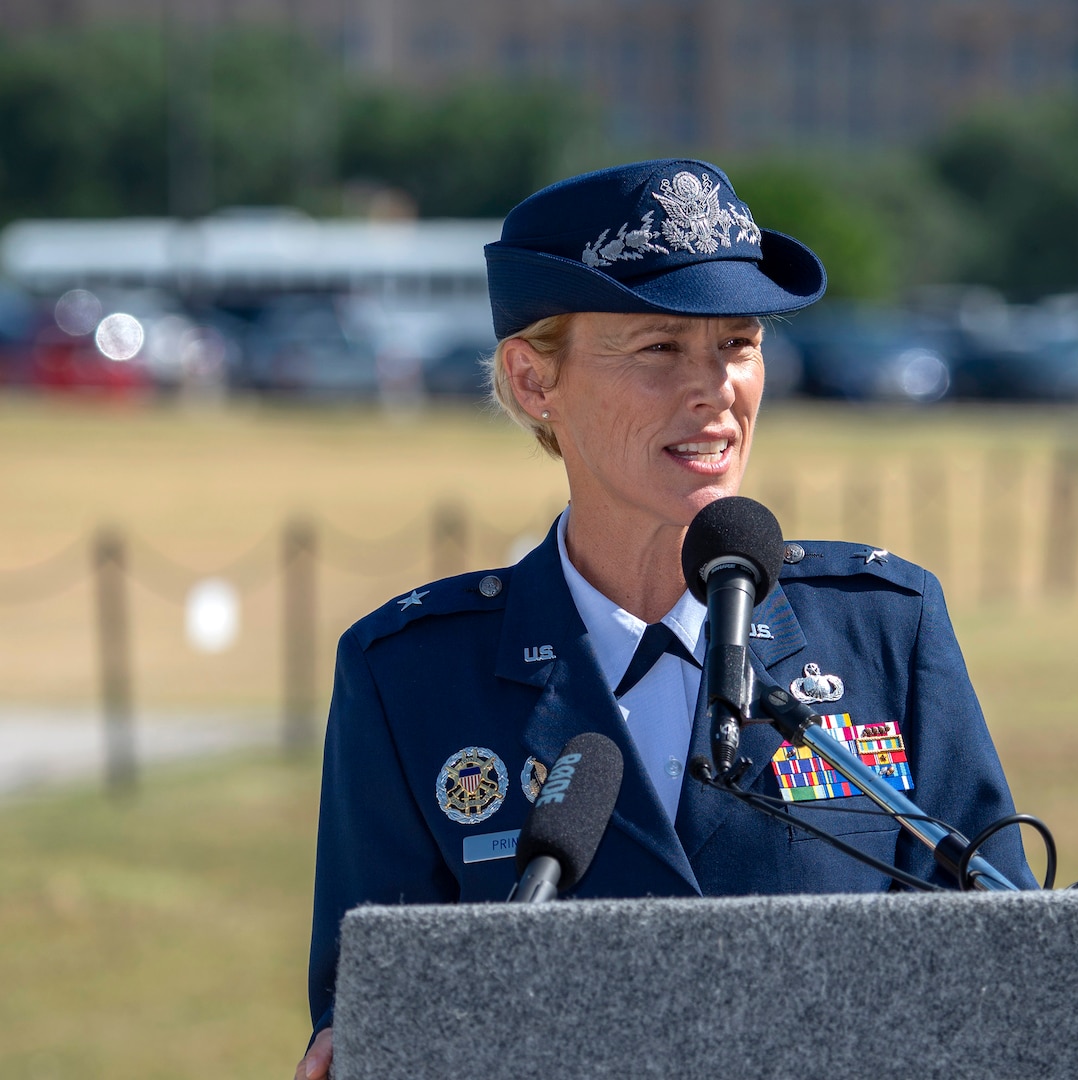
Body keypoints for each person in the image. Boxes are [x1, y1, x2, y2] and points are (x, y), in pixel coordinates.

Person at [295, 159, 1034, 1080]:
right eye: (657, 349)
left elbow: (1007, 977)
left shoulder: (884, 630)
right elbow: (373, 1016)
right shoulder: (410, 676)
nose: (714, 389)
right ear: (534, 383)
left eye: (738, 344)